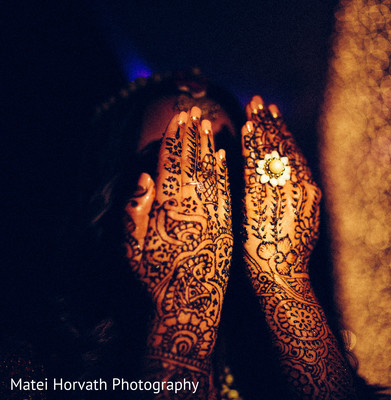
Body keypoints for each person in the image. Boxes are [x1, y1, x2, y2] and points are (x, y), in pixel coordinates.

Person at [78, 70, 365, 399]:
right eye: (177, 160)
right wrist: (187, 302)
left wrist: (282, 275)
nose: (206, 187)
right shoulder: (33, 359)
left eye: (224, 160)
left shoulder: (260, 343)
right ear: (116, 193)